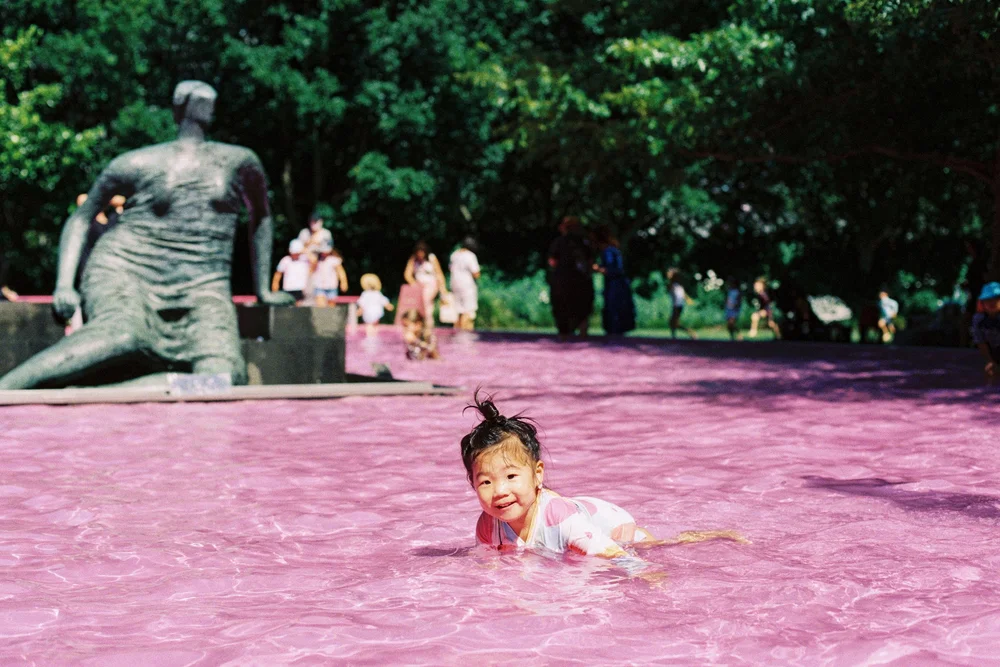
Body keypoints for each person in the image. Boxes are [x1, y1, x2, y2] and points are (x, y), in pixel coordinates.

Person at [0, 80, 293, 391]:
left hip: (204, 287)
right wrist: (64, 284)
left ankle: (101, 395)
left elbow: (261, 216)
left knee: (222, 379)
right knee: (122, 335)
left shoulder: (240, 162)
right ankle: (7, 388)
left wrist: (263, 289)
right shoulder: (136, 163)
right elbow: (81, 218)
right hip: (127, 270)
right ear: (178, 109)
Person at [460, 393, 746, 571]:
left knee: (657, 547)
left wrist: (647, 574)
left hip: (609, 524)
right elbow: (489, 565)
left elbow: (617, 557)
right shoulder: (487, 524)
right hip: (579, 516)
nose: (499, 491)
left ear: (537, 474)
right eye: (485, 482)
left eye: (511, 476)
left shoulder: (561, 520)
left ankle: (710, 535)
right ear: (473, 484)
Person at [547, 216, 594, 339]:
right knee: (583, 308)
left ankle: (563, 335)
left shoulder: (558, 242)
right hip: (581, 280)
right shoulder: (584, 242)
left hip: (562, 280)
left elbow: (552, 261)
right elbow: (590, 261)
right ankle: (583, 334)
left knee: (561, 308)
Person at [593, 227, 635, 336]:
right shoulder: (614, 250)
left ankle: (614, 335)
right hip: (620, 284)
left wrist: (597, 268)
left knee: (614, 311)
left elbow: (612, 270)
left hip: (615, 285)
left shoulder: (608, 251)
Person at [404, 241, 448, 328]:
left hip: (431, 285)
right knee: (421, 306)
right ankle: (422, 324)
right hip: (419, 286)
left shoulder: (432, 258)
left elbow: (439, 274)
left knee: (425, 302)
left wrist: (443, 289)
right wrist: (414, 284)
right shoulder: (413, 259)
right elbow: (407, 274)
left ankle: (428, 324)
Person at [449, 237, 481, 331]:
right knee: (468, 312)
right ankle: (465, 334)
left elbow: (450, 268)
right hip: (467, 286)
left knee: (458, 311)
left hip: (455, 284)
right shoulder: (470, 256)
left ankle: (456, 332)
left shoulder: (454, 254)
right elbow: (476, 273)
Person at [971, 282, 1000, 378]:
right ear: (982, 303)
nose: (992, 302)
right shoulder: (979, 319)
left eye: (996, 299)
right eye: (988, 299)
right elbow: (981, 342)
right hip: (992, 352)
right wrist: (990, 361)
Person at [271, 239, 311, 304]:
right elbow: (278, 273)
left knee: (298, 307)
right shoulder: (285, 260)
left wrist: (305, 250)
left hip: (300, 288)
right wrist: (275, 284)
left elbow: (314, 262)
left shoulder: (304, 259)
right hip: (288, 288)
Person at [311, 243, 348, 307]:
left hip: (331, 286)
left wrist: (344, 282)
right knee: (321, 306)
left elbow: (340, 271)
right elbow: (311, 271)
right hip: (319, 286)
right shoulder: (317, 260)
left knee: (331, 306)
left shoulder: (334, 260)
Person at [357, 273, 394, 337]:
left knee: (369, 326)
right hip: (377, 312)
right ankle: (375, 336)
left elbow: (362, 304)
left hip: (368, 312)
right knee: (376, 326)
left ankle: (369, 337)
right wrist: (388, 306)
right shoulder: (378, 293)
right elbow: (383, 301)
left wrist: (359, 311)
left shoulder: (365, 294)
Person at [667, 269, 697, 340]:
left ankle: (690, 332)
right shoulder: (677, 285)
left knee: (674, 323)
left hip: (677, 306)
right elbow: (683, 295)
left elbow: (678, 295)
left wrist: (687, 299)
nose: (668, 275)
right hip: (678, 305)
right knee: (672, 322)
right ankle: (674, 336)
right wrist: (687, 299)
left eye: (669, 273)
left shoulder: (674, 285)